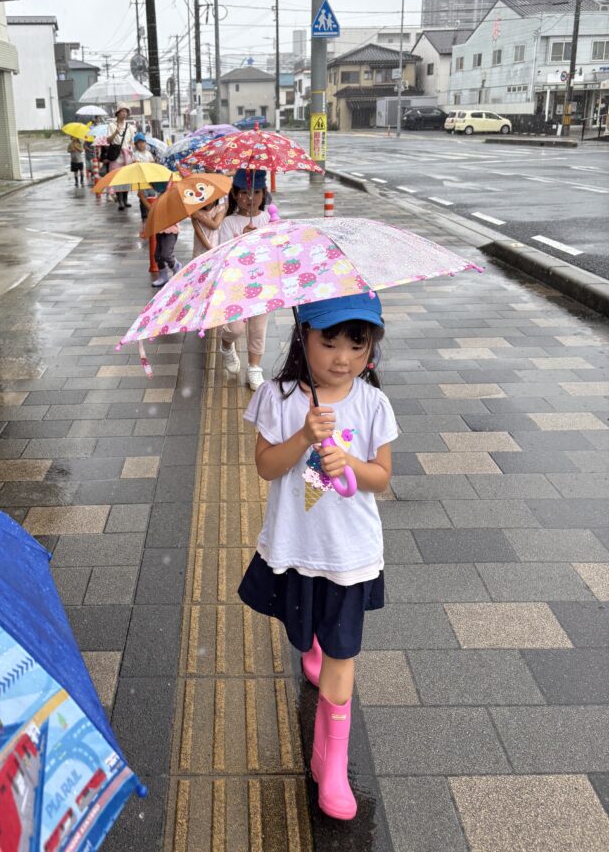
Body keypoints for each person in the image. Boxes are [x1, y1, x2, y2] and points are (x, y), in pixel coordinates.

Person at [238, 293, 397, 821]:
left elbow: (379, 477)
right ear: (302, 334)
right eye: (329, 341)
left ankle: (330, 766)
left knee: (342, 653)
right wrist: (304, 435)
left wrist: (347, 459)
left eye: (358, 342)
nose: (343, 357)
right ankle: (312, 647)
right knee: (304, 629)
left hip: (349, 553)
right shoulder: (279, 397)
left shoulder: (372, 403)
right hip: (296, 547)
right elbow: (265, 467)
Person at [217, 168, 272, 390]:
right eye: (243, 193)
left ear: (264, 194)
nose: (250, 198)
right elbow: (223, 255)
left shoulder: (268, 218)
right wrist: (243, 239)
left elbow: (272, 251)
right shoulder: (229, 223)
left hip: (262, 284)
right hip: (236, 285)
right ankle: (226, 345)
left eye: (256, 192)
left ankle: (254, 369)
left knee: (258, 328)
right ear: (234, 195)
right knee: (235, 328)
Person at [106, 107, 136, 210]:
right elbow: (109, 141)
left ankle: (125, 199)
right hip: (116, 154)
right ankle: (120, 200)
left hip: (127, 154)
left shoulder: (130, 127)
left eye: (126, 112)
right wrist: (115, 132)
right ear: (117, 113)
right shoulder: (111, 125)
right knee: (117, 178)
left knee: (126, 178)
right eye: (122, 111)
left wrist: (132, 147)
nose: (124, 114)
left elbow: (132, 141)